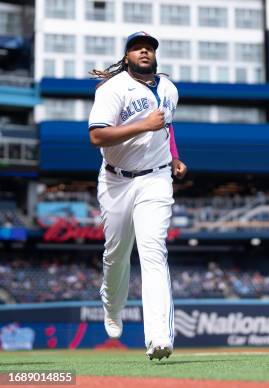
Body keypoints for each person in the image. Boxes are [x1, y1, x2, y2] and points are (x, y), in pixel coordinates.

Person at [88, 31, 187, 361]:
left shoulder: (169, 88)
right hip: (117, 182)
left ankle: (159, 336)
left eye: (149, 47)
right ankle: (112, 307)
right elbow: (98, 135)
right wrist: (143, 126)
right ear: (127, 56)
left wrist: (173, 156)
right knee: (116, 254)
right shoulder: (112, 89)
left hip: (156, 180)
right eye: (137, 47)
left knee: (153, 251)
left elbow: (167, 126)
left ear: (155, 55)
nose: (144, 51)